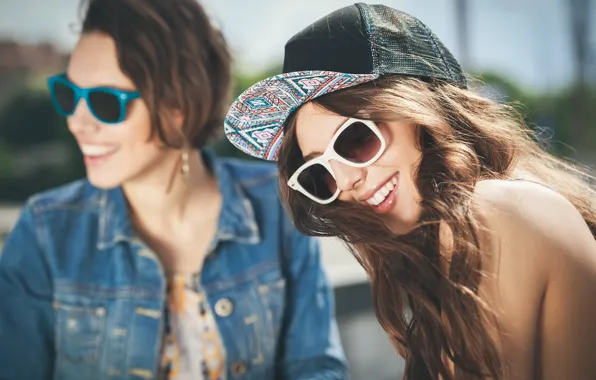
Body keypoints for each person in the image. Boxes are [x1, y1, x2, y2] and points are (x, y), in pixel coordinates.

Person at [224, 4, 596, 380]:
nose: (347, 182)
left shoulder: (494, 211)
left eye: (353, 140)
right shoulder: (501, 209)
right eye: (320, 174)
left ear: (417, 109)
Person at [0, 1, 349, 379]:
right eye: (68, 94)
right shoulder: (45, 231)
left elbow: (315, 366)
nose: (76, 122)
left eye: (105, 102)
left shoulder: (279, 204)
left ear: (179, 103)